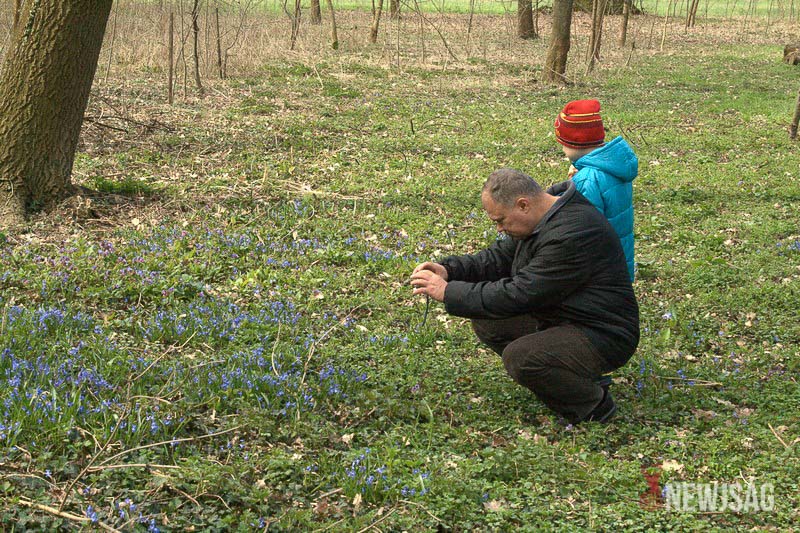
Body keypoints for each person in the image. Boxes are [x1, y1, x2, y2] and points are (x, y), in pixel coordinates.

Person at [410, 168, 639, 424]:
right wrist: (450, 270)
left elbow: (520, 293)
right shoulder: (543, 216)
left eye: (501, 220)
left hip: (603, 332)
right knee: (489, 321)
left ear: (523, 205)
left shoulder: (573, 233)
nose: (499, 229)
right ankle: (568, 376)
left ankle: (594, 406)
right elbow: (498, 259)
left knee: (522, 357)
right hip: (564, 315)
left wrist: (447, 291)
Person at [554, 99, 638, 282]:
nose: (563, 150)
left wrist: (571, 188)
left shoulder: (587, 179)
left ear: (575, 143)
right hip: (619, 262)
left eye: (563, 144)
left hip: (598, 271)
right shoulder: (613, 167)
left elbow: (580, 225)